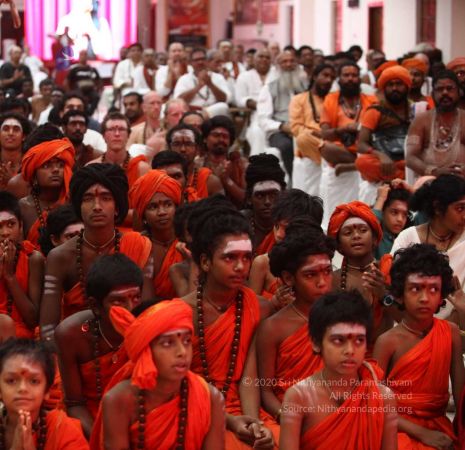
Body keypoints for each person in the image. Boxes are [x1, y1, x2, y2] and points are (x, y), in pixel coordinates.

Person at [182, 204, 277, 448]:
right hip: (192, 408)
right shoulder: (180, 313)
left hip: (244, 406)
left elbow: (249, 377)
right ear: (205, 262)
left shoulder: (260, 307)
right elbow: (178, 384)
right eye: (230, 257)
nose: (240, 266)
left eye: (247, 257)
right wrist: (229, 421)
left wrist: (254, 425)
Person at [39, 163, 153, 342]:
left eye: (106, 198)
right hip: (77, 346)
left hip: (130, 342)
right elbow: (47, 329)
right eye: (88, 198)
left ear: (117, 207)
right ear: (78, 206)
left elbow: (147, 315)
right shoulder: (60, 256)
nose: (97, 206)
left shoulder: (139, 246)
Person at [90, 299, 224, 449]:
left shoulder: (210, 397)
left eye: (187, 341)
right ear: (145, 351)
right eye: (167, 343)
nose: (182, 352)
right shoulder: (118, 401)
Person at [280, 290, 397, 450]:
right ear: (316, 343)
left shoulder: (383, 397)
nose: (350, 350)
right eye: (338, 340)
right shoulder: (299, 397)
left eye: (359, 340)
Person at [373, 244, 464, 449]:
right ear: (399, 294)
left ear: (442, 295)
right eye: (415, 289)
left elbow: (461, 397)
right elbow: (374, 404)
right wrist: (422, 433)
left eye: (433, 289)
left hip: (440, 426)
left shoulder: (450, 333)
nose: (424, 298)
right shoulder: (387, 342)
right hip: (397, 427)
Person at [54, 254, 143, 438]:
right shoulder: (71, 335)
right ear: (95, 306)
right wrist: (102, 439)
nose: (130, 308)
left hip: (138, 416)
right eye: (118, 301)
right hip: (90, 420)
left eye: (135, 298)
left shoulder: (150, 326)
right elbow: (75, 404)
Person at [256, 224, 335, 421]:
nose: (322, 282)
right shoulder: (273, 328)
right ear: (288, 278)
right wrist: (289, 418)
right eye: (311, 275)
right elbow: (266, 391)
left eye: (327, 271)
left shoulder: (343, 316)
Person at [391, 175, 465, 316]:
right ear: (438, 208)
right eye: (460, 208)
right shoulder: (407, 237)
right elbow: (395, 292)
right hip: (407, 324)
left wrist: (440, 329)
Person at [0, 338, 90, 449]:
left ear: (47, 391)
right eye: (11, 381)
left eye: (34, 381)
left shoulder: (63, 429)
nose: (22, 388)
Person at [319, 62, 378, 226]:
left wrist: (361, 129)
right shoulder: (331, 99)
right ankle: (356, 164)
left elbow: (378, 131)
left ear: (359, 78)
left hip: (365, 149)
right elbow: (325, 133)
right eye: (346, 75)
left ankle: (355, 164)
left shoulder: (371, 101)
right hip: (341, 152)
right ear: (339, 78)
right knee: (325, 147)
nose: (350, 79)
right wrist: (343, 129)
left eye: (354, 75)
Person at [327, 201, 390, 341]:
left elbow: (405, 319)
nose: (356, 236)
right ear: (339, 246)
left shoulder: (389, 270)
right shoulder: (331, 280)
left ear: (375, 239)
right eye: (348, 232)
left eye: (363, 230)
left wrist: (383, 294)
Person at [249, 191, 324, 307]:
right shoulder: (262, 263)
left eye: (287, 228)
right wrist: (273, 303)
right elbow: (249, 309)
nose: (278, 234)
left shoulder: (321, 264)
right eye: (276, 226)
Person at [129, 169, 183, 299]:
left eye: (168, 204)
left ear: (176, 208)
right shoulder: (138, 246)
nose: (162, 212)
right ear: (143, 215)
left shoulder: (189, 242)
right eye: (153, 207)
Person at [357, 66, 412, 186]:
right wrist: (380, 155)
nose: (394, 88)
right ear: (384, 88)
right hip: (385, 160)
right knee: (363, 162)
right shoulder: (375, 111)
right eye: (390, 85)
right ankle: (404, 176)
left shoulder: (417, 109)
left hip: (410, 160)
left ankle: (401, 175)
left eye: (399, 84)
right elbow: (361, 144)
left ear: (407, 86)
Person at [406, 70, 465, 181]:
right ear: (432, 94)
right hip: (430, 183)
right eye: (439, 89)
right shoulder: (421, 121)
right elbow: (410, 158)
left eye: (450, 88)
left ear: (459, 92)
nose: (445, 93)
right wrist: (434, 172)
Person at [18, 133, 75, 248]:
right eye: (46, 166)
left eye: (60, 165)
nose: (55, 170)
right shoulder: (23, 207)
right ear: (34, 175)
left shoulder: (74, 203)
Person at [257, 49, 307, 179]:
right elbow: (263, 120)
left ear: (297, 64)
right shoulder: (269, 88)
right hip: (280, 131)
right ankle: (293, 181)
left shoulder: (306, 86)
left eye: (291, 61)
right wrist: (282, 126)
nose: (288, 64)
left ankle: (307, 181)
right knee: (286, 146)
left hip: (304, 129)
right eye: (284, 62)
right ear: (278, 66)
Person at [0, 191, 43, 338]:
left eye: (11, 224)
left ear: (21, 227)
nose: (5, 233)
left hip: (21, 339)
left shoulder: (33, 258)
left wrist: (10, 277)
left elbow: (32, 320)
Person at [289, 63, 336, 196]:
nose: (328, 80)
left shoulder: (334, 100)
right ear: (315, 76)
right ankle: (330, 159)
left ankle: (329, 158)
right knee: (303, 138)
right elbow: (296, 128)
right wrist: (319, 135)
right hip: (310, 142)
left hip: (330, 140)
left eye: (332, 78)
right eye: (325, 75)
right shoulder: (299, 99)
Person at [89, 112, 150, 187]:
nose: (117, 134)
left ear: (128, 135)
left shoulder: (141, 169)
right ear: (103, 136)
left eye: (121, 129)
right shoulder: (91, 168)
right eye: (111, 129)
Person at [235, 48, 277, 156]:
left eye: (267, 57)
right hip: (255, 113)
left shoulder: (277, 75)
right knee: (256, 131)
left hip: (276, 113)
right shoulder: (244, 76)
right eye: (261, 57)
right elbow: (240, 99)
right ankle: (258, 163)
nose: (264, 59)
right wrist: (254, 103)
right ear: (254, 60)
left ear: (271, 61)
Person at [242, 153, 286, 252]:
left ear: (283, 195)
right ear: (249, 198)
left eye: (273, 195)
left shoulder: (291, 226)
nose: (267, 202)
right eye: (260, 196)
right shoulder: (238, 225)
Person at [167, 123, 223, 198]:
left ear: (197, 149)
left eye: (188, 144)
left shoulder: (210, 181)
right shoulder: (161, 179)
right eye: (177, 144)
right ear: (169, 148)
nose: (183, 149)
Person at [201, 115, 246, 207]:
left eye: (225, 136)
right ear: (205, 139)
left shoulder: (240, 164)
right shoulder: (197, 164)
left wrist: (226, 180)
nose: (221, 139)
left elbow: (246, 200)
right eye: (216, 135)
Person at [174, 47, 231, 117]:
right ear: (190, 63)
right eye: (196, 60)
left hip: (214, 113)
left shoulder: (218, 77)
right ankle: (201, 117)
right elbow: (179, 100)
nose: (200, 62)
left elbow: (224, 99)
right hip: (192, 113)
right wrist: (198, 87)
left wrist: (210, 84)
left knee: (223, 106)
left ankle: (202, 116)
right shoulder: (184, 79)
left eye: (202, 59)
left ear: (207, 61)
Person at [372, 182, 411, 259]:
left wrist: (411, 190)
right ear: (382, 211)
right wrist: (381, 199)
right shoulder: (376, 237)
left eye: (405, 214)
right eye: (394, 212)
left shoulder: (408, 235)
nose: (400, 219)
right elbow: (369, 226)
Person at [0, 113, 31, 191]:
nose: (10, 133)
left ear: (23, 136)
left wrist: (13, 181)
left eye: (16, 129)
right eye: (6, 129)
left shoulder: (30, 163)